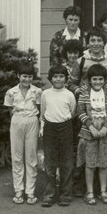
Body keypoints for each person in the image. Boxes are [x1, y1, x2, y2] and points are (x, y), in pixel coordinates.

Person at [75, 64, 107, 205]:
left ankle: (103, 191)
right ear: (89, 80)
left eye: (101, 79)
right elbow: (80, 111)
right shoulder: (84, 92)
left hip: (105, 131)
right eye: (94, 79)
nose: (98, 82)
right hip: (90, 132)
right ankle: (90, 192)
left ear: (105, 79)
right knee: (90, 163)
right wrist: (90, 126)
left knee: (103, 163)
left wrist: (106, 126)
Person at [3, 63, 42, 204]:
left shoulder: (37, 91)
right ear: (18, 76)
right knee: (17, 157)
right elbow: (9, 111)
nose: (27, 79)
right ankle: (18, 191)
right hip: (17, 122)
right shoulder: (11, 92)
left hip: (32, 121)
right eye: (24, 76)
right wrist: (18, 120)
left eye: (30, 76)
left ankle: (30, 192)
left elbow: (39, 109)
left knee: (31, 158)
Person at [39, 64, 77, 206]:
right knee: (50, 162)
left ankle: (65, 194)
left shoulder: (69, 94)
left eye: (61, 76)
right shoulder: (45, 94)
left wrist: (63, 122)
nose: (58, 79)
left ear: (66, 78)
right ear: (50, 78)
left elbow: (72, 113)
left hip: (65, 128)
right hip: (50, 128)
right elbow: (43, 112)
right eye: (55, 76)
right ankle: (49, 194)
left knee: (66, 162)